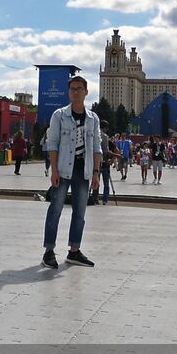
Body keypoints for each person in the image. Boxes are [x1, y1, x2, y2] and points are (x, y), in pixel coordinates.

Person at [41, 76, 101, 268]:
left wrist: (96, 173)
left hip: (83, 171)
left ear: (86, 92)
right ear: (69, 92)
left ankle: (74, 251)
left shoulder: (93, 119)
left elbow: (97, 147)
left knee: (80, 213)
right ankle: (49, 251)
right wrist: (54, 169)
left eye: (79, 89)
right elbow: (52, 143)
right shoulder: (59, 115)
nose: (76, 92)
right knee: (55, 209)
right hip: (63, 169)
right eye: (73, 89)